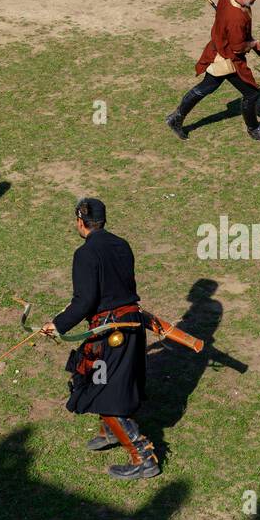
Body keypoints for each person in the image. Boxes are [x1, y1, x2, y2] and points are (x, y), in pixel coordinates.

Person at [39, 198, 159, 480]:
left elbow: (85, 301)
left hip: (110, 333)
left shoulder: (85, 254)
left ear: (80, 221)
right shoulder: (122, 245)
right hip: (131, 327)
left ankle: (143, 457)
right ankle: (109, 431)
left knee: (106, 392)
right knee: (98, 380)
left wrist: (56, 325)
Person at [165, 0, 260, 142]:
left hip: (218, 49)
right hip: (227, 59)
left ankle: (176, 118)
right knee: (251, 94)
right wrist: (253, 44)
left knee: (207, 87)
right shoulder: (236, 18)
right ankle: (254, 129)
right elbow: (238, 47)